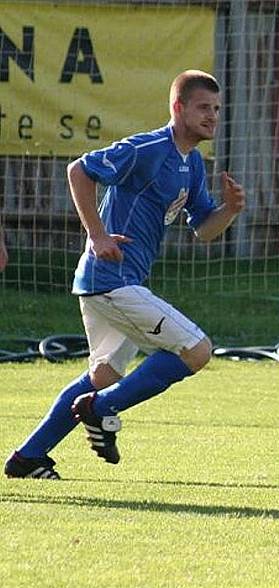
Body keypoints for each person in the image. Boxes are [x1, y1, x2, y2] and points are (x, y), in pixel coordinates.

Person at [4, 70, 245, 479]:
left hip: (113, 283)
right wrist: (97, 235)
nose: (212, 117)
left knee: (102, 377)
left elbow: (203, 229)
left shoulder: (193, 164)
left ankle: (28, 457)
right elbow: (79, 170)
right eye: (204, 107)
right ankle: (100, 410)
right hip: (111, 279)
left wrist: (230, 210)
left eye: (217, 109)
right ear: (178, 108)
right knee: (197, 350)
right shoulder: (148, 148)